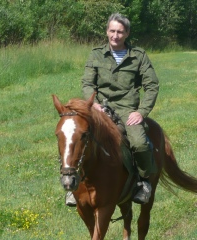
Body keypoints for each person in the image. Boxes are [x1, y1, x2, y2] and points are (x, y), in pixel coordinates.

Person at [66, 13, 159, 206]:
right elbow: (87, 83)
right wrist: (94, 104)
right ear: (107, 31)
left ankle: (143, 182)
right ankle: (73, 184)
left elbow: (151, 86)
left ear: (127, 33)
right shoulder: (96, 54)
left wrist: (141, 112)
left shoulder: (138, 56)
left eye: (120, 32)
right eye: (112, 31)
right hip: (100, 108)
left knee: (139, 143)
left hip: (127, 109)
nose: (115, 35)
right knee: (73, 136)